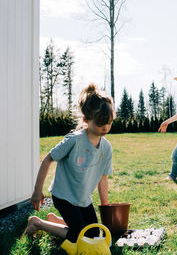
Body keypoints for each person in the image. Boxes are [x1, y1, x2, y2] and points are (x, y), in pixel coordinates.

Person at [24, 84, 115, 243]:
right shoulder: (74, 140)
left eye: (109, 122)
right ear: (86, 120)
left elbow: (103, 178)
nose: (105, 127)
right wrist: (37, 190)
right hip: (63, 195)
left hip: (83, 199)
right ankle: (37, 223)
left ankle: (56, 221)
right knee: (79, 238)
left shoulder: (106, 148)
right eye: (100, 123)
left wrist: (105, 206)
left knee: (94, 236)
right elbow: (48, 159)